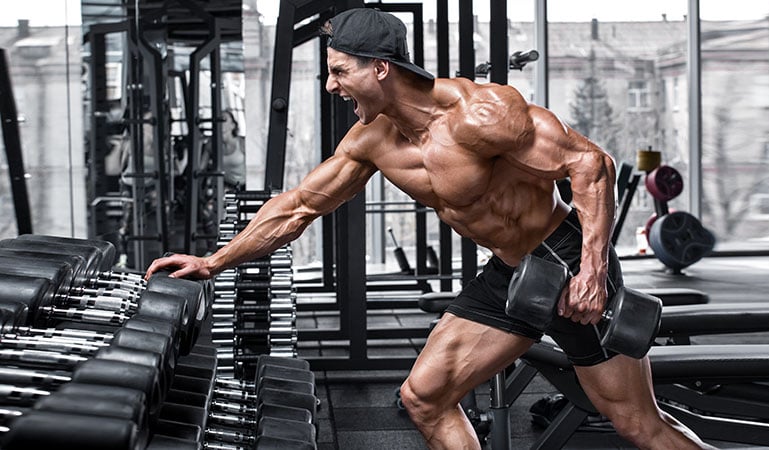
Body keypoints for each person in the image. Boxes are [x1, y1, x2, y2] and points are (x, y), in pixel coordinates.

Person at [146, 8, 714, 450]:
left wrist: (593, 270)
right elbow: (298, 207)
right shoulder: (371, 142)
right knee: (424, 398)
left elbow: (591, 165)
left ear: (380, 68)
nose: (331, 86)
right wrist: (214, 262)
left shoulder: (480, 114)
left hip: (565, 262)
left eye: (339, 71)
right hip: (513, 273)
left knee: (637, 426)